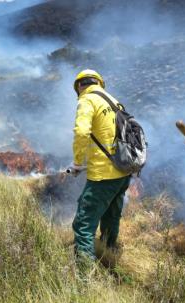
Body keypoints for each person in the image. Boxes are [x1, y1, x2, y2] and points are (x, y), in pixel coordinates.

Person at [70, 69, 132, 262]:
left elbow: (81, 132)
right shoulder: (113, 100)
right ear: (98, 83)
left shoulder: (87, 100)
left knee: (83, 223)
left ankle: (85, 275)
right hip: (124, 171)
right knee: (111, 216)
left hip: (103, 175)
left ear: (80, 86)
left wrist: (78, 162)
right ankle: (109, 253)